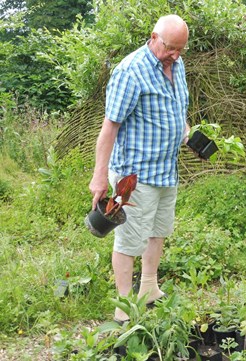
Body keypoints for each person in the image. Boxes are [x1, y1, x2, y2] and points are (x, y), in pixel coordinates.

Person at [89, 14, 190, 323]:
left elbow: (177, 110)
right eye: (170, 48)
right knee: (130, 238)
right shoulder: (131, 71)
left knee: (158, 232)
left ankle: (149, 288)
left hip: (165, 171)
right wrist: (99, 177)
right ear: (153, 37)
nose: (174, 55)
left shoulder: (177, 65)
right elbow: (109, 129)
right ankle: (124, 306)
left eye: (180, 49)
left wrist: (188, 135)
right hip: (134, 176)